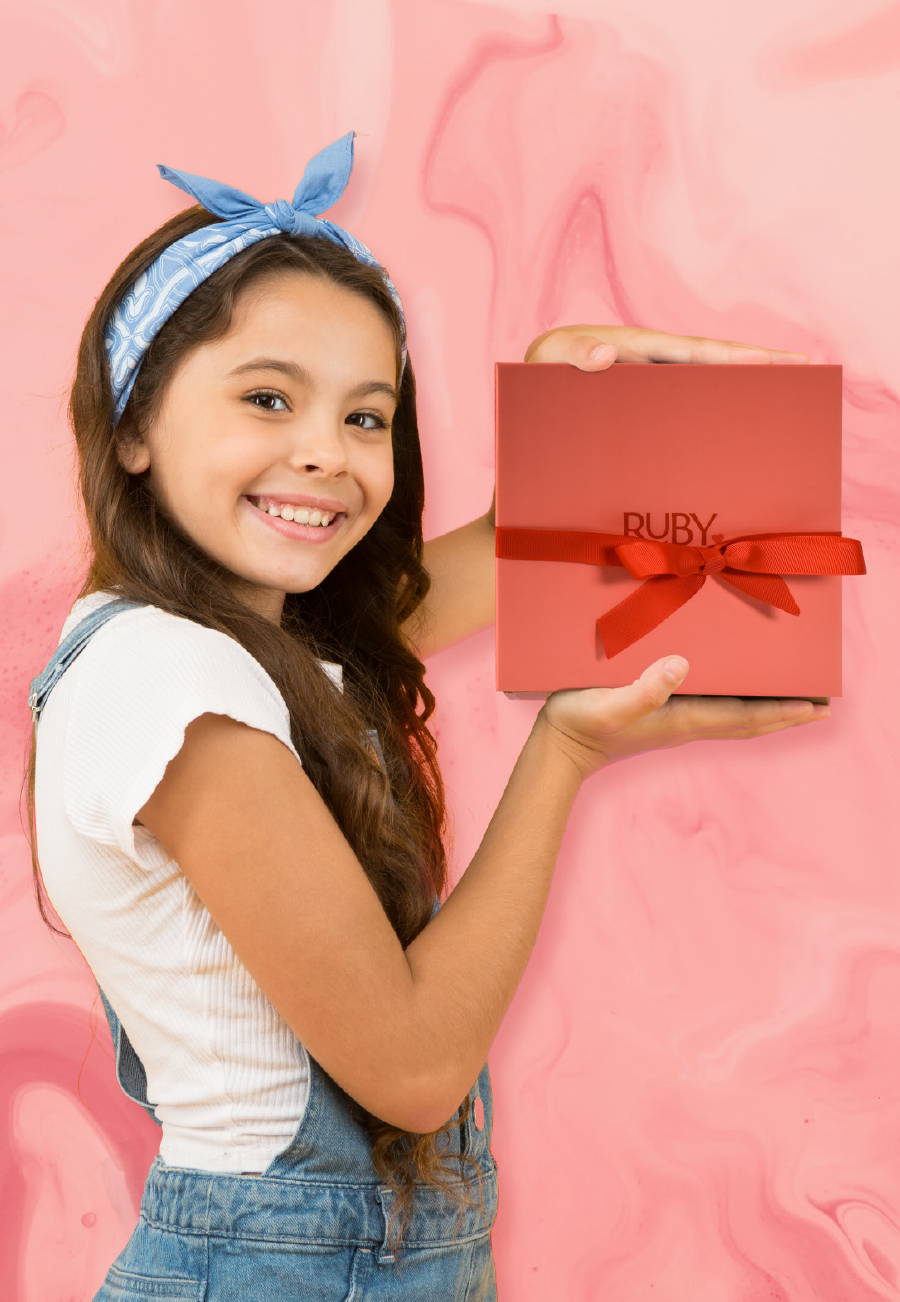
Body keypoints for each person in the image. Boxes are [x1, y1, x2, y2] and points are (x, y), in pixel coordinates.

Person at [23, 129, 828, 1301]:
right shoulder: (170, 684)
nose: (326, 457)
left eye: (366, 417)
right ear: (134, 426)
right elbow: (411, 1068)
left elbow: (526, 551)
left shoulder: (249, 644)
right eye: (266, 397)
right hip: (273, 1268)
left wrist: (568, 402)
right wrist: (564, 752)